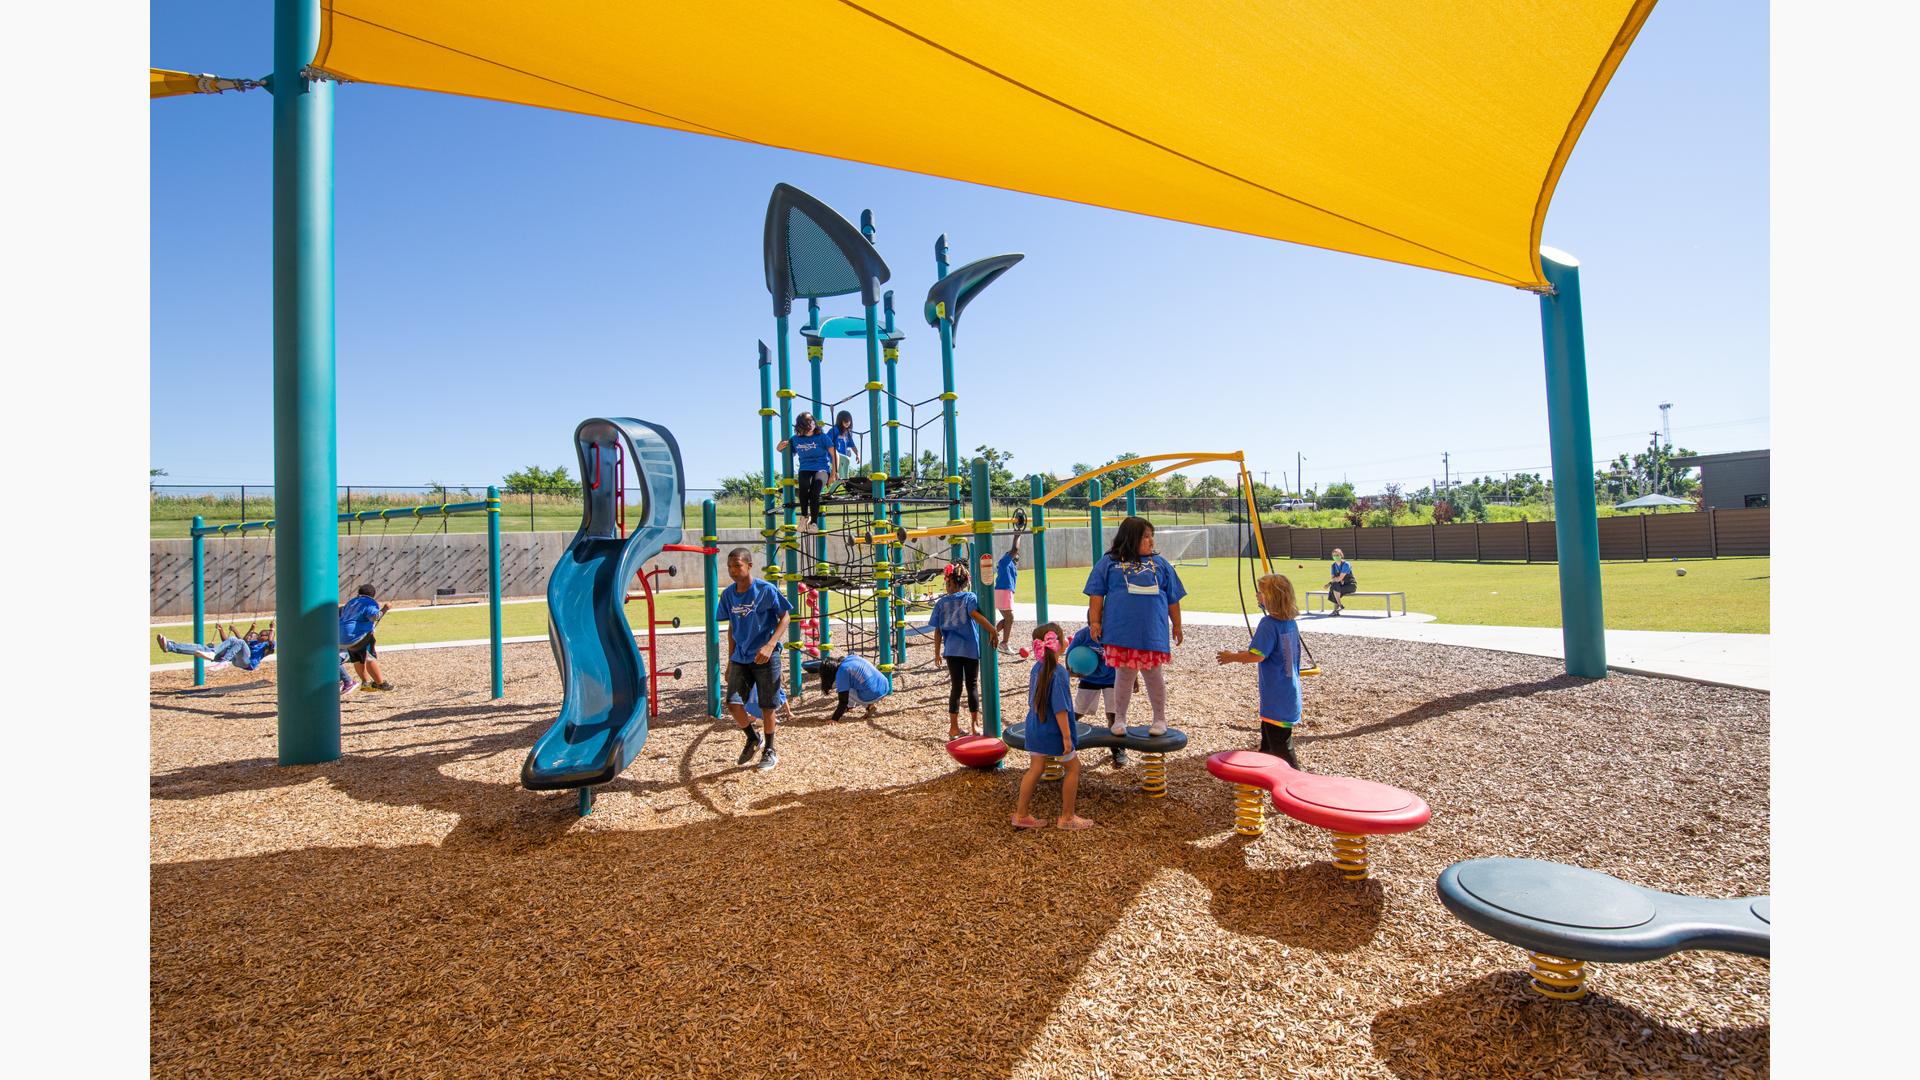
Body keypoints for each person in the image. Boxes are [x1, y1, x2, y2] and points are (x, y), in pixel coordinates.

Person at [1084, 516, 1186, 737]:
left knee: (1153, 674)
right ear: (1131, 539)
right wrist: (1095, 622)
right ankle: (1119, 719)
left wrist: (1177, 625)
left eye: (1152, 536)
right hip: (1122, 632)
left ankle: (1160, 719)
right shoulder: (1109, 563)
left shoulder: (1161, 564)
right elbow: (1096, 594)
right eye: (1146, 537)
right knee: (1124, 675)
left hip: (1152, 633)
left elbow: (1173, 597)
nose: (1151, 541)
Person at [1216, 573, 1305, 769]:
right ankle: (1262, 776)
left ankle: (1298, 782)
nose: (1257, 595)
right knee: (1269, 742)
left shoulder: (1268, 624)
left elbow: (1257, 655)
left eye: (1261, 592)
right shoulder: (1290, 623)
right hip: (1288, 692)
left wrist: (1232, 657)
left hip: (1277, 696)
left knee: (1281, 747)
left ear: (1272, 597)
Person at [1010, 624, 1094, 831]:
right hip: (1053, 731)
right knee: (1073, 768)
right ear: (1058, 645)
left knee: (1036, 768)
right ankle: (1067, 817)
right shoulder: (1058, 673)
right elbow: (1061, 709)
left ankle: (1021, 814)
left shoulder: (1037, 668)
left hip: (1035, 727)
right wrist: (1066, 736)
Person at [717, 547, 792, 770]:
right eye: (730, 566)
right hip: (741, 656)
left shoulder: (765, 590)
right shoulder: (728, 595)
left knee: (767, 706)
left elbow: (785, 617)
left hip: (766, 656)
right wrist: (730, 660)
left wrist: (770, 645)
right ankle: (752, 738)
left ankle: (770, 750)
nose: (733, 570)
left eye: (737, 565)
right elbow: (732, 627)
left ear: (749, 566)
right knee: (732, 702)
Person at [929, 562, 1000, 738]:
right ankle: (975, 725)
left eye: (947, 583)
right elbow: (975, 615)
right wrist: (992, 629)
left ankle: (954, 728)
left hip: (951, 651)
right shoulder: (969, 597)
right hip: (969, 649)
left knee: (956, 687)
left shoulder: (941, 603)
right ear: (965, 582)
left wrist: (937, 652)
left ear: (950, 583)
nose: (947, 586)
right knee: (972, 685)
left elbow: (937, 631)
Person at [1066, 625, 1128, 768]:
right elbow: (1070, 655)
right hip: (1089, 679)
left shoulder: (1114, 633)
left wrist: (1133, 678)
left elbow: (1125, 656)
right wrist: (1072, 671)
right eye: (1092, 623)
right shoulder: (1082, 635)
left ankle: (1118, 749)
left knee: (1114, 716)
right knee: (1077, 712)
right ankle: (1064, 741)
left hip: (1112, 679)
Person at [777, 412, 838, 532]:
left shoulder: (822, 437)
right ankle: (804, 516)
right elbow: (783, 449)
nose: (811, 424)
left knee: (816, 489)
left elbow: (834, 454)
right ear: (801, 425)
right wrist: (778, 448)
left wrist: (834, 472)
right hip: (805, 468)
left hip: (821, 468)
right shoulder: (795, 439)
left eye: (812, 421)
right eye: (807, 422)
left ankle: (814, 522)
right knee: (804, 488)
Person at [156, 622, 275, 672]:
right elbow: (229, 641)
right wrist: (222, 630)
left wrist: (272, 629)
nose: (259, 636)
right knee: (201, 648)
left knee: (238, 641)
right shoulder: (252, 643)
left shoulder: (267, 647)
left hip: (247, 663)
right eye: (258, 635)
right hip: (235, 659)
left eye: (262, 635)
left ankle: (223, 661)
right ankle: (170, 646)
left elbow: (270, 641)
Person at [338, 584, 393, 691]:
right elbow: (374, 616)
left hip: (342, 638)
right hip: (358, 636)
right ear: (372, 595)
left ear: (359, 593)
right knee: (369, 658)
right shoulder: (370, 602)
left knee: (358, 659)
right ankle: (380, 683)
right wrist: (385, 608)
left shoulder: (351, 602)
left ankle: (365, 683)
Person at [818, 654, 890, 721]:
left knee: (843, 689)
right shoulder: (851, 657)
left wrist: (834, 719)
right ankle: (850, 707)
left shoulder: (842, 673)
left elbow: (843, 701)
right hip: (885, 684)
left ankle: (869, 706)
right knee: (851, 683)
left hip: (875, 693)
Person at [993, 536, 1021, 651]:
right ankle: (1004, 643)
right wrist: (1017, 535)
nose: (1017, 557)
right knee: (1010, 617)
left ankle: (990, 634)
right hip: (1003, 591)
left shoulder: (1010, 565)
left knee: (1007, 618)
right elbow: (1015, 549)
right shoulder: (1005, 561)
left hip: (1004, 591)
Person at [828, 409, 861, 479]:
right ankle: (839, 476)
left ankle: (841, 480)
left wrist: (858, 454)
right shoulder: (835, 430)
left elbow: (852, 445)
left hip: (842, 457)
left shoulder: (847, 433)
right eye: (845, 421)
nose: (847, 423)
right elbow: (826, 440)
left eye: (849, 421)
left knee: (841, 477)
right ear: (840, 421)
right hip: (834, 455)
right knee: (846, 460)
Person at [1326, 548, 1358, 615]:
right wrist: (1334, 580)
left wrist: (1332, 581)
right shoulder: (1333, 565)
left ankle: (1336, 609)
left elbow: (1339, 578)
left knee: (1334, 589)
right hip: (1341, 585)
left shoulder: (1346, 564)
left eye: (1337, 555)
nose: (1336, 557)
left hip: (1350, 585)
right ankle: (1338, 607)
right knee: (1334, 587)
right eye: (1334, 555)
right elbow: (1333, 578)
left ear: (1341, 555)